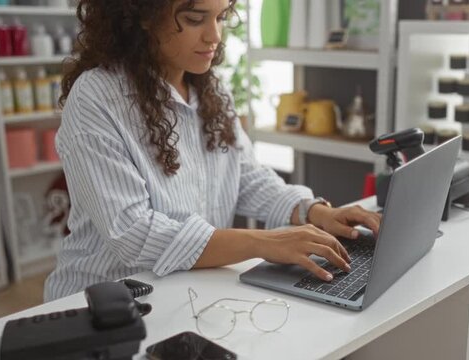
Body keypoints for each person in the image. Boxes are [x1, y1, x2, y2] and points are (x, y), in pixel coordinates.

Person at [44, 0, 381, 301]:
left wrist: (315, 212)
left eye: (220, 17)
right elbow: (133, 233)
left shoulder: (209, 88)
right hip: (101, 302)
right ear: (143, 15)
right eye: (195, 19)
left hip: (186, 291)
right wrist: (264, 242)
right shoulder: (97, 97)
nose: (215, 35)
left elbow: (247, 178)